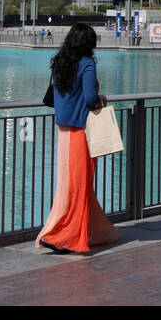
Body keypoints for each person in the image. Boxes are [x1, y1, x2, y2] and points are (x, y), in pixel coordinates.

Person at [37, 23, 119, 254]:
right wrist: (102, 97)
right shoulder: (87, 64)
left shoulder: (59, 63)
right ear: (89, 44)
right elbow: (91, 97)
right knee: (80, 185)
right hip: (81, 130)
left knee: (68, 184)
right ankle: (65, 236)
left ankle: (92, 231)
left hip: (63, 129)